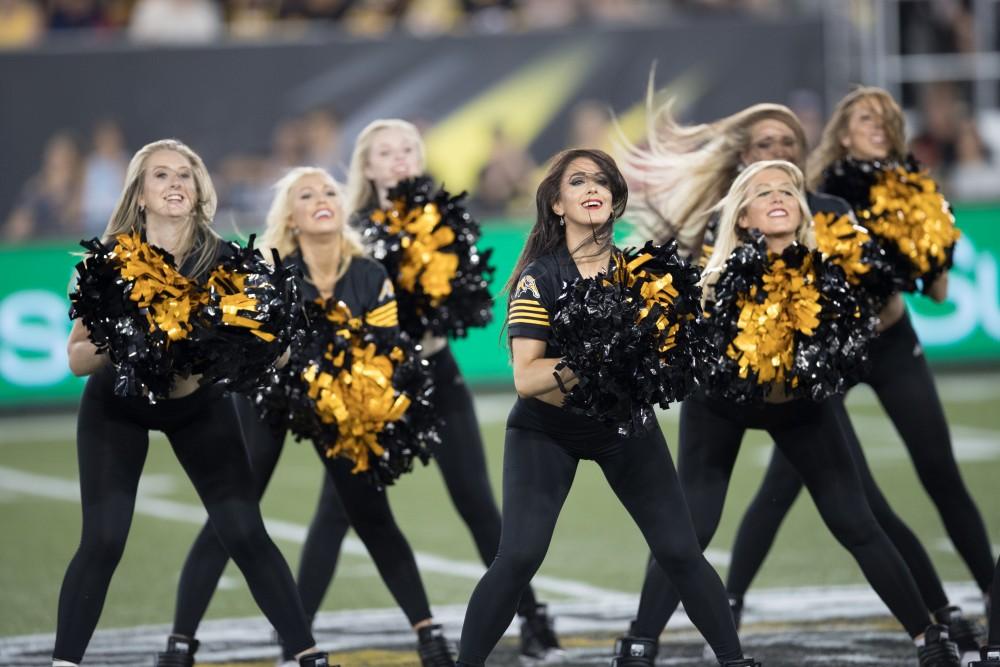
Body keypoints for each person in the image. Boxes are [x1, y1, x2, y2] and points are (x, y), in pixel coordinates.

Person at [619, 96, 983, 659]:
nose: (778, 196)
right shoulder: (716, 267)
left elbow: (878, 315)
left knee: (856, 519)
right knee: (694, 523)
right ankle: (640, 643)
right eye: (764, 190)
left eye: (788, 189)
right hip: (723, 403)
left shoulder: (832, 266)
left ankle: (929, 633)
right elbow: (673, 319)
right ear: (742, 213)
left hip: (799, 404)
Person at [456, 147, 760, 667]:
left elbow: (670, 362)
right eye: (577, 183)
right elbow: (528, 379)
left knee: (681, 552)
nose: (592, 189)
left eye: (602, 182)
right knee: (520, 556)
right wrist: (596, 356)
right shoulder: (540, 277)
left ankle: (735, 661)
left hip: (623, 426)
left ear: (617, 200)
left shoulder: (642, 273)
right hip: (546, 430)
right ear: (556, 204)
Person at [728, 87, 991, 659]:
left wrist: (921, 236)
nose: (880, 125)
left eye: (888, 119)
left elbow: (936, 292)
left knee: (938, 471)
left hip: (889, 342)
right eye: (866, 118)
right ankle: (731, 600)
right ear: (842, 133)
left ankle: (988, 593)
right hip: (833, 353)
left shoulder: (911, 187)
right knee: (802, 485)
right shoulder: (816, 195)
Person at [161, 166, 454, 667]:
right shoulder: (274, 270)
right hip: (269, 396)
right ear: (291, 218)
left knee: (372, 514)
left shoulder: (370, 274)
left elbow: (386, 356)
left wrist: (367, 401)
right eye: (306, 194)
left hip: (340, 405)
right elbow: (249, 350)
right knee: (232, 516)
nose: (322, 199)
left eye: (329, 192)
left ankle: (428, 633)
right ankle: (179, 644)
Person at [54, 139, 329, 667]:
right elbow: (77, 358)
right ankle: (64, 662)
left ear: (200, 189)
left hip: (198, 406)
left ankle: (309, 656)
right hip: (118, 406)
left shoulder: (227, 261)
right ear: (139, 195)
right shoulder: (107, 263)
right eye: (160, 175)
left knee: (246, 532)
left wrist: (264, 341)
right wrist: (134, 333)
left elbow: (273, 353)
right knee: (104, 540)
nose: (175, 183)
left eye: (185, 174)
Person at [311, 118, 562, 660]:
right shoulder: (348, 229)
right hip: (371, 386)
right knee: (337, 509)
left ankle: (532, 614)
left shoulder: (445, 219)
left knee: (475, 501)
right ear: (368, 165)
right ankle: (296, 635)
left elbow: (460, 304)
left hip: (435, 374)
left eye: (408, 149)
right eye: (387, 151)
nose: (400, 158)